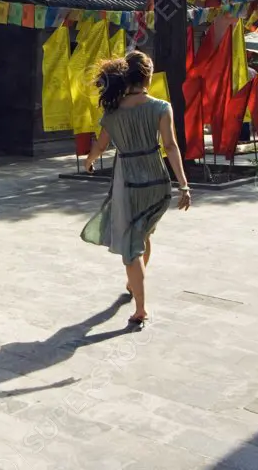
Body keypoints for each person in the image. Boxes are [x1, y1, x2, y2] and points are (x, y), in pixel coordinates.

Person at [81, 51, 191, 328]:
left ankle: (140, 308)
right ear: (148, 77)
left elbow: (101, 146)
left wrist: (90, 160)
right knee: (143, 235)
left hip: (129, 182)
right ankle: (135, 282)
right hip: (158, 183)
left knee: (132, 246)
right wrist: (183, 184)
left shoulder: (113, 111)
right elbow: (170, 146)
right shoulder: (161, 107)